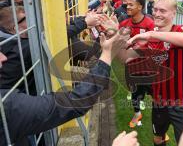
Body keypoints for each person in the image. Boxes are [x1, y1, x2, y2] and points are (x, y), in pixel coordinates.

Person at [0, 27, 136, 145]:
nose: (3, 57)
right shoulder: (6, 106)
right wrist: (107, 54)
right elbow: (75, 102)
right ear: (14, 28)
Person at [127, 0, 183, 145]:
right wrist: (114, 37)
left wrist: (152, 33)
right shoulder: (150, 36)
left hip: (181, 102)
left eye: (163, 11)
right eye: (155, 9)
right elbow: (129, 58)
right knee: (158, 138)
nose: (157, 14)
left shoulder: (180, 29)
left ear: (173, 13)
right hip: (159, 101)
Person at [118, 0, 155, 129]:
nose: (127, 7)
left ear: (140, 7)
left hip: (148, 68)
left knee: (157, 95)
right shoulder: (124, 24)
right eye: (127, 4)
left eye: (131, 4)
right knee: (135, 93)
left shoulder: (150, 23)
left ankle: (159, 125)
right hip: (132, 68)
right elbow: (118, 43)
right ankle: (137, 114)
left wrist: (139, 48)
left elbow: (156, 44)